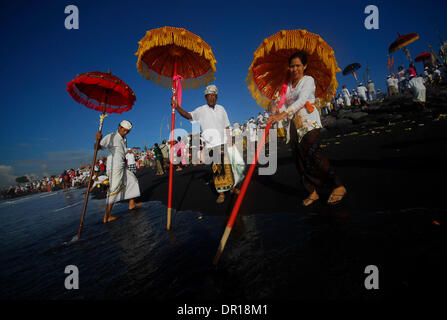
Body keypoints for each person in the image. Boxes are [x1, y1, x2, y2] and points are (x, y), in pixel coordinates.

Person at [268, 51, 347, 206]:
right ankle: (312, 192)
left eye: (298, 65)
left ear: (305, 66)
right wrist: (276, 107)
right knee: (299, 159)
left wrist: (282, 113)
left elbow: (302, 99)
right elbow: (284, 104)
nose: (295, 69)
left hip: (309, 122)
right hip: (294, 127)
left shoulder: (308, 80)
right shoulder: (288, 86)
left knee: (312, 153)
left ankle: (338, 186)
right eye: (292, 66)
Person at [172, 84, 244, 203]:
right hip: (211, 146)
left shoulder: (221, 108)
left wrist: (230, 140)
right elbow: (188, 115)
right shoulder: (200, 110)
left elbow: (227, 125)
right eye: (209, 96)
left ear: (217, 97)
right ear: (205, 97)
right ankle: (221, 193)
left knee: (229, 168)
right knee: (217, 170)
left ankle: (233, 188)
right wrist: (177, 107)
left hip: (224, 143)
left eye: (214, 96)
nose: (212, 98)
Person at [95, 120, 143, 223]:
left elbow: (121, 151)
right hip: (114, 167)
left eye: (127, 131)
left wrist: (128, 151)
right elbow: (98, 148)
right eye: (124, 130)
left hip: (122, 165)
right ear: (119, 127)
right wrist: (97, 140)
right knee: (114, 189)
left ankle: (132, 203)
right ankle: (106, 217)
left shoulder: (124, 139)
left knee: (133, 180)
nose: (125, 132)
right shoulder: (111, 136)